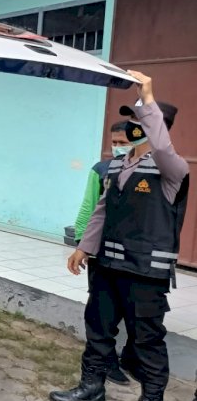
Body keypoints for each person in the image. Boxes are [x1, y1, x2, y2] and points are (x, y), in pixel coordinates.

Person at [50, 71, 189, 401]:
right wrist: (85, 246)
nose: (130, 128)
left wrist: (148, 97)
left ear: (155, 127)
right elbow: (102, 210)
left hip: (144, 271)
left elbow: (161, 144)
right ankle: (91, 388)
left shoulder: (172, 168)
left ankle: (151, 400)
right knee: (98, 328)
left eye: (137, 121)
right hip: (107, 265)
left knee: (146, 339)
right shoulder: (115, 167)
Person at [72, 121, 133, 386]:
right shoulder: (101, 169)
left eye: (123, 142)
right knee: (99, 308)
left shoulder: (148, 170)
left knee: (124, 307)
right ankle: (105, 360)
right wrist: (81, 244)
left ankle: (125, 357)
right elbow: (89, 207)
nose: (118, 148)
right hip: (101, 250)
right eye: (115, 143)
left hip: (131, 253)